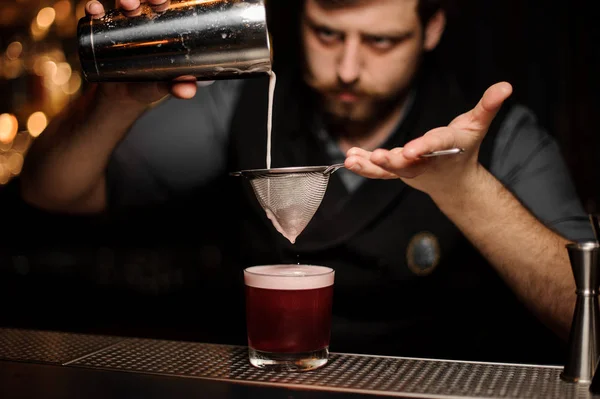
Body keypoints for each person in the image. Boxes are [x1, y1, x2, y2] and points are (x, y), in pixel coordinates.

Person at [16, 0, 593, 364]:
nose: (346, 67)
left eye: (380, 41)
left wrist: (464, 189)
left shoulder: (502, 135)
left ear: (433, 26)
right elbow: (50, 193)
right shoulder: (244, 103)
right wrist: (112, 104)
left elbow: (585, 316)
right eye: (325, 33)